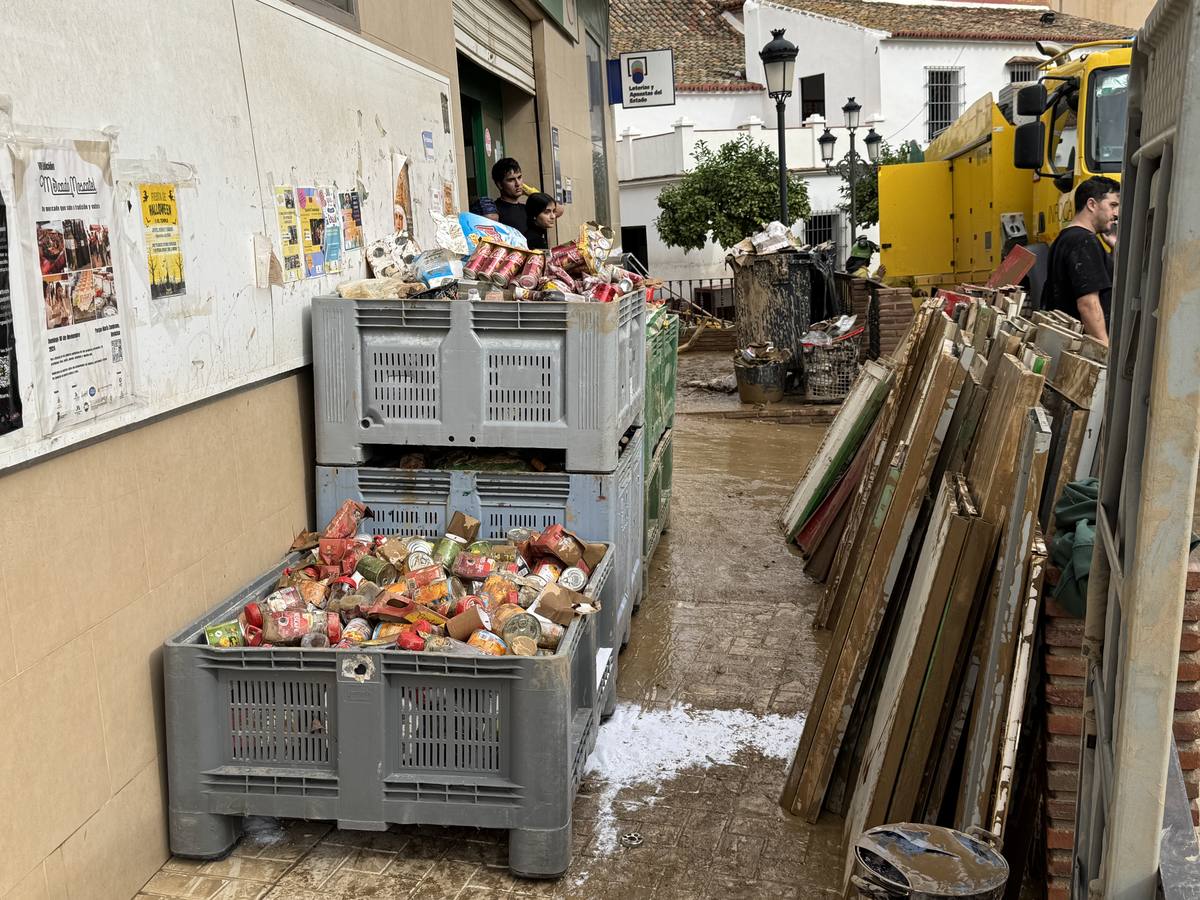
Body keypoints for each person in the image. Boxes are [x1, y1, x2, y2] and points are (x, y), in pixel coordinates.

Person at [1045, 176, 1120, 345]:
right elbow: (1088, 304)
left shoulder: (1064, 239)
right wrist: (1104, 349)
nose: (1116, 214)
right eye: (1113, 205)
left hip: (1065, 344)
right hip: (1081, 348)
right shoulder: (1084, 241)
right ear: (1092, 204)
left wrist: (1115, 247)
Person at [491, 158, 527, 233]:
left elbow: (556, 210)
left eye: (519, 177)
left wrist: (532, 193)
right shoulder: (494, 212)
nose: (518, 184)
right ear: (500, 185)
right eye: (511, 180)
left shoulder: (526, 209)